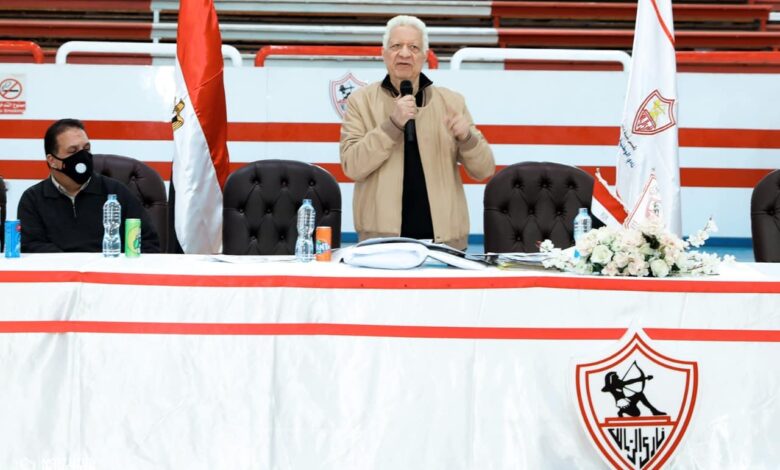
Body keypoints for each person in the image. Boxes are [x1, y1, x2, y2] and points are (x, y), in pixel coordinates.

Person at [340, 15, 495, 250]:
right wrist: (392, 124)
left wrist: (467, 138)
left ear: (424, 56)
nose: (404, 53)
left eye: (413, 47)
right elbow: (352, 166)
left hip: (445, 244)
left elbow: (484, 170)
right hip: (381, 244)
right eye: (396, 46)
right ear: (384, 54)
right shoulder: (360, 102)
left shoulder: (451, 102)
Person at [18, 118, 160, 253]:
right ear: (52, 161)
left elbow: (148, 243)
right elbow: (30, 248)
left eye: (86, 148)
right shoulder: (33, 199)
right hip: (58, 270)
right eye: (73, 151)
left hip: (109, 268)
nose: (82, 156)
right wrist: (72, 266)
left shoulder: (117, 193)